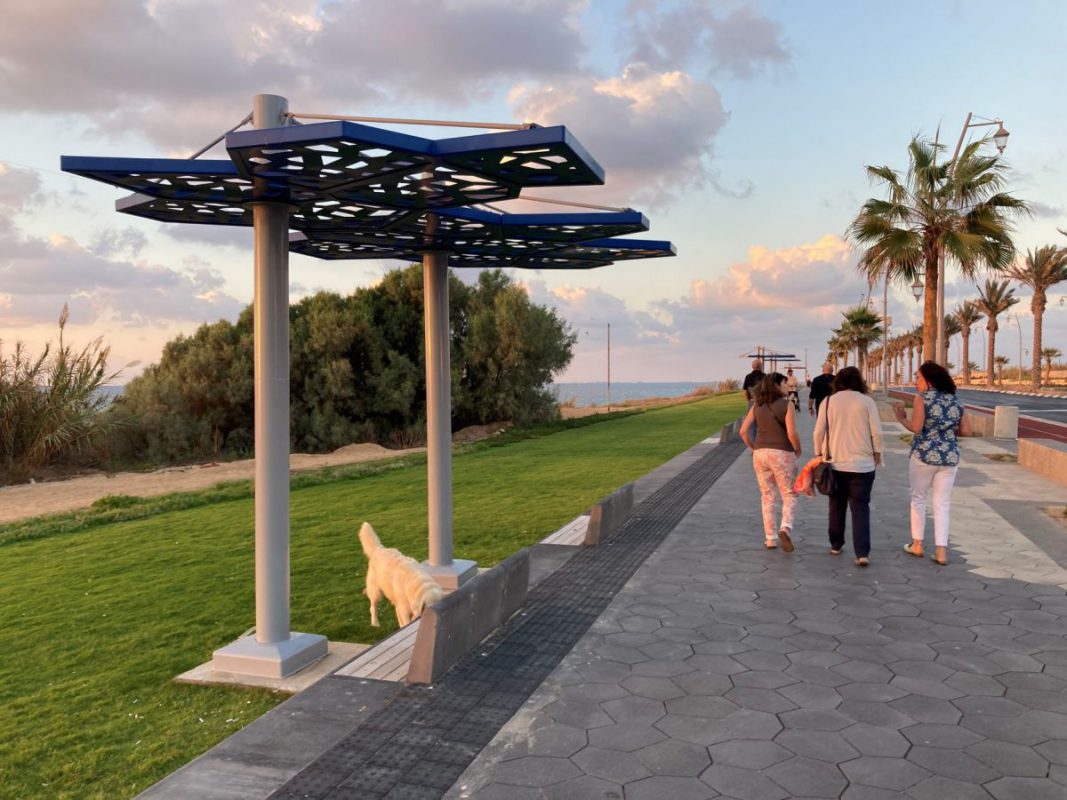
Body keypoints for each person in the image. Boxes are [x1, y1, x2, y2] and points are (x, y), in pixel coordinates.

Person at [893, 361, 973, 566]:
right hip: (949, 457)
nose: (916, 382)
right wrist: (946, 430)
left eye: (918, 378)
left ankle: (917, 544)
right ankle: (941, 551)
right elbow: (966, 431)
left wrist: (901, 418)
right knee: (942, 503)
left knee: (918, 498)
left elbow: (917, 428)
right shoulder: (956, 400)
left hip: (924, 455)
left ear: (928, 381)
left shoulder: (922, 399)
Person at [813, 366, 882, 566]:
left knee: (836, 505)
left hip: (835, 463)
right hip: (862, 465)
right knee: (860, 508)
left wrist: (818, 454)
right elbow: (877, 432)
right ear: (859, 382)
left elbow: (818, 432)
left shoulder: (828, 402)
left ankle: (836, 544)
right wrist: (877, 453)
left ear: (838, 382)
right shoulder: (867, 402)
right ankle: (862, 553)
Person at [740, 373, 802, 552]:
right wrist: (798, 449)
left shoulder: (757, 405)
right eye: (784, 383)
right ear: (776, 385)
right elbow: (792, 433)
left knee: (767, 495)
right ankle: (786, 528)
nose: (788, 386)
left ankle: (770, 539)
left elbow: (743, 431)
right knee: (789, 494)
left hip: (760, 454)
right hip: (782, 453)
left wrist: (754, 448)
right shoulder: (788, 405)